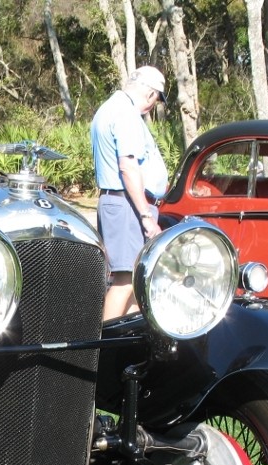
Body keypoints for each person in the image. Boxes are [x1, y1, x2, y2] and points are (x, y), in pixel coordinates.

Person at [90, 65, 170, 320]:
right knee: (125, 281)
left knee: (135, 282)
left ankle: (129, 346)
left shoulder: (110, 108)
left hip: (123, 203)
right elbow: (128, 167)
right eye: (156, 98)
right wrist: (146, 216)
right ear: (150, 93)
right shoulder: (125, 114)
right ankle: (106, 352)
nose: (152, 104)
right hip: (127, 205)